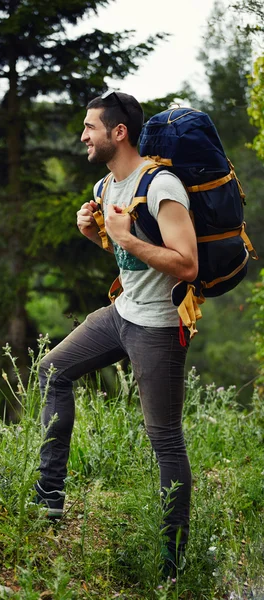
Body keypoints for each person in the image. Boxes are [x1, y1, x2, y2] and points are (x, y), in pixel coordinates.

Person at [34, 91, 198, 574]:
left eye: (90, 127)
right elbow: (131, 257)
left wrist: (123, 236)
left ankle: (173, 561)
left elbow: (186, 264)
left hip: (159, 329)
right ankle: (49, 501)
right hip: (120, 313)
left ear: (118, 132)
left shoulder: (163, 186)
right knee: (52, 371)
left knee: (164, 438)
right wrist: (98, 236)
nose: (83, 135)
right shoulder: (107, 186)